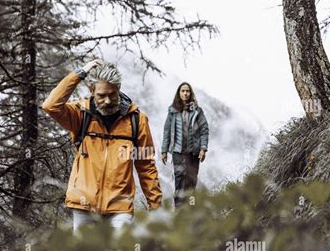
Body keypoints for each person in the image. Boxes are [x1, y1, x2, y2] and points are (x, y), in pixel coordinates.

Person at [42, 59, 162, 233]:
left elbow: (146, 166)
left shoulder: (137, 120)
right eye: (101, 95)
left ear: (118, 89)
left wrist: (156, 207)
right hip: (84, 205)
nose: (107, 101)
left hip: (120, 208)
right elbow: (50, 106)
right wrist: (80, 73)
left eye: (112, 94)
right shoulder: (80, 115)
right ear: (91, 91)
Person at [161, 82, 209, 207]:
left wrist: (203, 149)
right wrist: (164, 151)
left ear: (190, 93)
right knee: (179, 180)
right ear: (179, 93)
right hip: (178, 152)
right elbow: (166, 131)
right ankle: (178, 210)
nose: (185, 93)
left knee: (191, 182)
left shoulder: (198, 111)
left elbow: (204, 130)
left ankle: (190, 209)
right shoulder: (172, 111)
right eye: (183, 91)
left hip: (193, 153)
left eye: (187, 91)